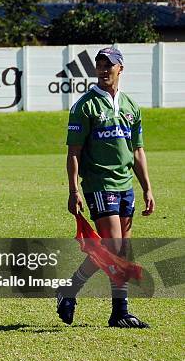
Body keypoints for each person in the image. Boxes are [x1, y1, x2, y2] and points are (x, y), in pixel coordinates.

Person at [58, 47, 154, 328]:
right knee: (112, 247)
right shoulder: (85, 106)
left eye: (108, 65)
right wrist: (74, 190)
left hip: (126, 185)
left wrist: (147, 188)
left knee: (121, 250)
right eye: (99, 65)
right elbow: (73, 151)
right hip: (100, 184)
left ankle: (112, 309)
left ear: (120, 68)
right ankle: (102, 302)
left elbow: (137, 151)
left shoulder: (130, 106)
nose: (103, 69)